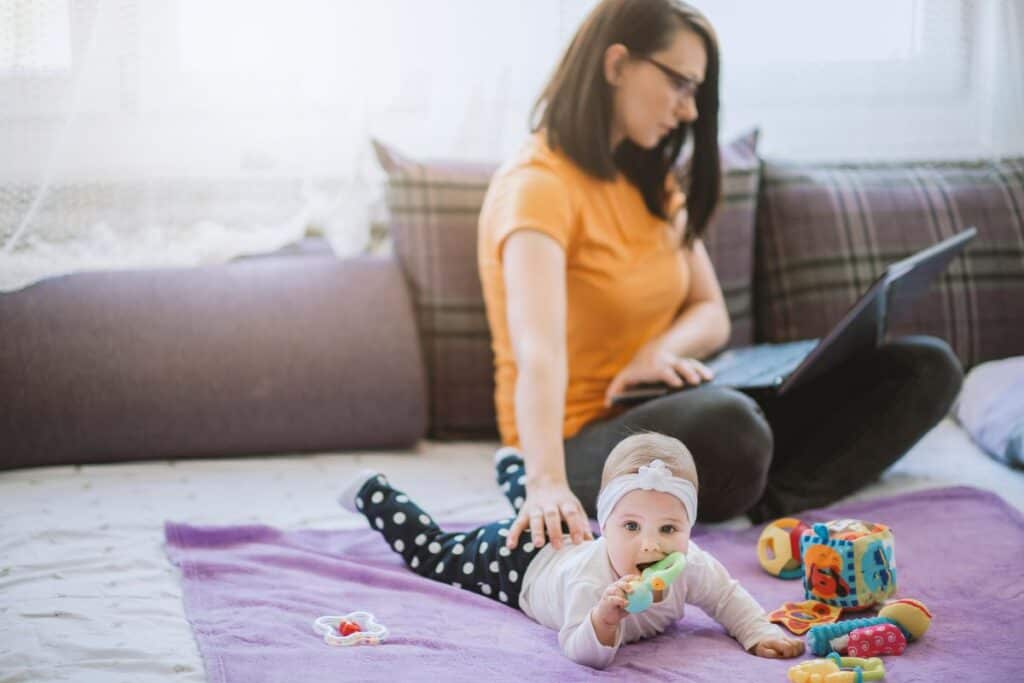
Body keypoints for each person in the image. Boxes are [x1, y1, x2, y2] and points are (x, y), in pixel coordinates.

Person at [476, 0, 962, 551]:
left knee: (925, 367)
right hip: (576, 437)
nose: (688, 112)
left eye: (696, 93)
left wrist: (657, 354)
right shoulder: (536, 187)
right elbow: (537, 351)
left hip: (671, 407)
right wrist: (544, 483)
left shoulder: (649, 182)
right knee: (728, 425)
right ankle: (751, 476)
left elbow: (710, 312)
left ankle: (766, 497)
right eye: (681, 85)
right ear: (616, 66)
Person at [339, 433, 804, 669]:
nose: (651, 543)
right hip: (518, 565)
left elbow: (727, 598)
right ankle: (372, 493)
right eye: (630, 526)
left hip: (571, 533)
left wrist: (757, 632)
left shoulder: (692, 564)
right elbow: (580, 652)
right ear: (605, 524)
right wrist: (604, 620)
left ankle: (513, 468)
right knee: (436, 555)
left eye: (669, 527)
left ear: (689, 527)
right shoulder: (593, 583)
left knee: (548, 514)